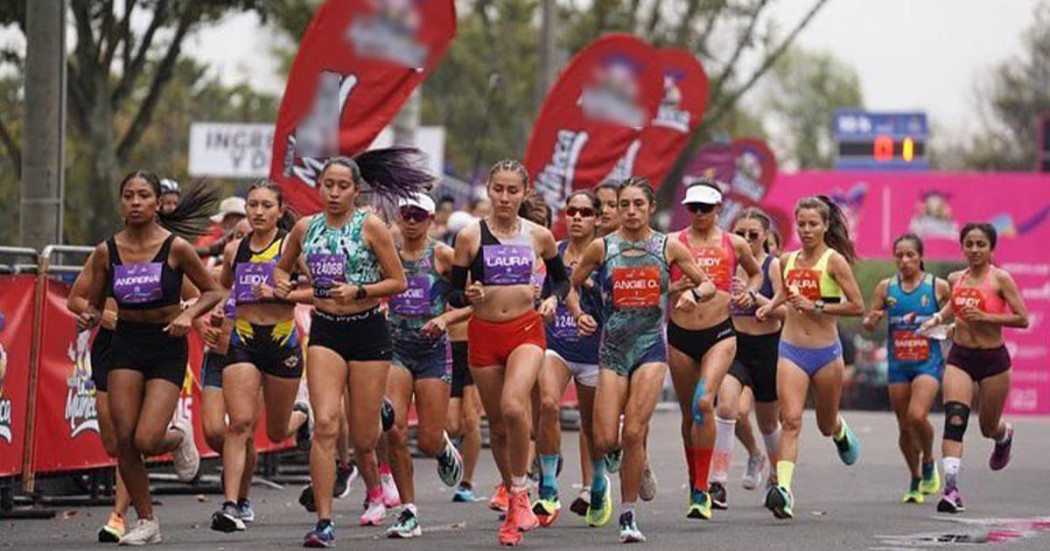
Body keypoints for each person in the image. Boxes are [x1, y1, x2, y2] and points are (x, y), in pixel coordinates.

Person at [274, 148, 433, 548]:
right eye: (328, 185)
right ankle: (324, 522)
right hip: (326, 331)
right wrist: (281, 283)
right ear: (319, 187)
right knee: (325, 425)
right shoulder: (305, 228)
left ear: (356, 190)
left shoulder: (372, 226)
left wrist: (359, 289)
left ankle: (377, 412)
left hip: (368, 331)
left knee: (364, 438)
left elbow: (397, 282)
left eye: (342, 186)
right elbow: (282, 266)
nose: (334, 193)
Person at [78, 172, 222, 545]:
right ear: (121, 202)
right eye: (129, 195)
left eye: (144, 195)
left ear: (158, 203)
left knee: (146, 437)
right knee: (124, 439)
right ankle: (146, 521)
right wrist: (90, 315)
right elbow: (87, 302)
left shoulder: (175, 248)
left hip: (165, 344)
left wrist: (188, 316)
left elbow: (211, 291)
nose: (136, 202)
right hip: (125, 343)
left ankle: (176, 439)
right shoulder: (105, 251)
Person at [570, 177, 717, 543]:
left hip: (651, 348)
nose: (631, 211)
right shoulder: (602, 248)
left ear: (651, 207)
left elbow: (708, 283)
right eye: (624, 205)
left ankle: (628, 514)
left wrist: (692, 296)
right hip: (612, 351)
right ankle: (638, 462)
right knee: (604, 439)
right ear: (616, 209)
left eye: (638, 204)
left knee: (633, 431)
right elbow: (568, 284)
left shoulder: (668, 247)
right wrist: (578, 313)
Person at [448, 159, 571, 546]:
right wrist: (467, 294)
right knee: (498, 426)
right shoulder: (469, 237)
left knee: (515, 407)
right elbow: (451, 292)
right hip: (483, 333)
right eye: (498, 189)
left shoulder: (539, 236)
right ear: (488, 189)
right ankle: (516, 493)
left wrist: (552, 300)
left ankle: (519, 490)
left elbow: (562, 280)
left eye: (512, 190)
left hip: (525, 331)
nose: (504, 197)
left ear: (524, 192)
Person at [208, 181, 314, 532]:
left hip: (283, 342)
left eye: (266, 206)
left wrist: (284, 293)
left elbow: (319, 290)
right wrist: (222, 306)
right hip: (244, 341)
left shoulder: (290, 246)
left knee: (277, 429)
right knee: (239, 424)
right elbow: (223, 285)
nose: (257, 211)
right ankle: (231, 504)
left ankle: (303, 417)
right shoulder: (234, 249)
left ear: (280, 211)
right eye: (253, 204)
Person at [756, 196, 865, 520]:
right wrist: (770, 306)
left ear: (825, 226)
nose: (806, 230)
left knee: (824, 422)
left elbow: (857, 306)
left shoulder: (834, 262)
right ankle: (785, 491)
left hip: (827, 353)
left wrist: (816, 306)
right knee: (790, 420)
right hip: (790, 350)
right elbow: (785, 292)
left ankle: (840, 431)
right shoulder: (786, 259)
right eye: (801, 223)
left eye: (813, 224)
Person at [666, 181, 762, 518]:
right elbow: (656, 283)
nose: (699, 214)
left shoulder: (733, 243)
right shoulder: (673, 243)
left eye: (706, 208)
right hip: (680, 335)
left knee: (704, 403)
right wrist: (674, 288)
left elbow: (756, 273)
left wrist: (748, 292)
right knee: (688, 415)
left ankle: (703, 489)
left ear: (719, 208)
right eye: (693, 208)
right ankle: (696, 484)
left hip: (720, 334)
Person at [919, 223, 1029, 514]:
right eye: (969, 244)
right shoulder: (956, 277)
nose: (975, 250)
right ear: (962, 247)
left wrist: (985, 317)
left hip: (993, 361)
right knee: (955, 419)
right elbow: (953, 307)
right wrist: (935, 319)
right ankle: (951, 490)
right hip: (961, 357)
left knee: (987, 426)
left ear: (991, 248)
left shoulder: (1001, 279)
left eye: (981, 244)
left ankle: (1003, 435)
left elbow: (1022, 318)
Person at [384, 192, 470, 538]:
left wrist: (447, 319)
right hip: (395, 350)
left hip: (434, 351)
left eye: (419, 215)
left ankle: (443, 447)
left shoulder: (443, 256)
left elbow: (475, 301)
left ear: (431, 220)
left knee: (428, 441)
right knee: (395, 428)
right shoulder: (386, 251)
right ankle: (408, 511)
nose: (411, 220)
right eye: (406, 213)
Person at [531, 190, 605, 528]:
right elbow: (542, 290)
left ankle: (597, 486)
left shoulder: (607, 253)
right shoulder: (553, 251)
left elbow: (622, 302)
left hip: (595, 351)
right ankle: (548, 487)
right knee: (547, 403)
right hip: (557, 344)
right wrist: (539, 299)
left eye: (585, 212)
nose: (576, 217)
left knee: (592, 428)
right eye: (571, 210)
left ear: (597, 219)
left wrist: (592, 287)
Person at [864, 233, 949, 504]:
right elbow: (868, 322)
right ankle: (914, 478)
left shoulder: (938, 286)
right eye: (899, 255)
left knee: (916, 415)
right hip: (898, 364)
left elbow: (954, 314)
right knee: (904, 426)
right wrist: (872, 320)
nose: (904, 260)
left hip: (928, 361)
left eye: (910, 255)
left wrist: (946, 328)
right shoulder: (886, 288)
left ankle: (929, 460)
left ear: (920, 256)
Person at [711, 207, 785, 508]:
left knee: (768, 423)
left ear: (765, 237)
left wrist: (755, 298)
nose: (746, 239)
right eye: (739, 233)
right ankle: (718, 482)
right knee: (728, 408)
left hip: (768, 349)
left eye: (753, 235)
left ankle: (777, 477)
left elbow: (784, 312)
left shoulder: (772, 266)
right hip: (735, 346)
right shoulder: (725, 265)